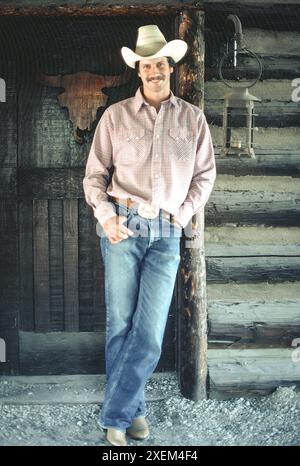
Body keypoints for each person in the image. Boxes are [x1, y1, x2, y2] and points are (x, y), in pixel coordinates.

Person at [83, 24, 216, 446]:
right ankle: (130, 414)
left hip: (166, 232)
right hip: (122, 225)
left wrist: (182, 214)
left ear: (170, 67)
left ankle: (116, 414)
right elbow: (94, 176)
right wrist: (106, 218)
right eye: (147, 65)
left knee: (151, 329)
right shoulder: (115, 116)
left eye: (161, 63)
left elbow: (205, 176)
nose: (154, 70)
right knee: (120, 324)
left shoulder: (192, 119)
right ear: (138, 71)